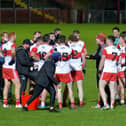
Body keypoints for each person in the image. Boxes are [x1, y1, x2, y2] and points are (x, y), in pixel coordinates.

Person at [52, 35, 76, 110]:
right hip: (66, 71)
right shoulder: (69, 49)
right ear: (65, 41)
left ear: (58, 41)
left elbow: (51, 56)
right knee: (70, 88)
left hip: (57, 71)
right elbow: (74, 53)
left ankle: (60, 105)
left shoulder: (56, 49)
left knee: (59, 89)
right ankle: (72, 105)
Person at [99, 35, 120, 110]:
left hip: (107, 71)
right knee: (112, 89)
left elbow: (102, 59)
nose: (106, 42)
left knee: (101, 87)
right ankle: (112, 105)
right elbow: (118, 61)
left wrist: (99, 68)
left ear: (109, 41)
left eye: (107, 40)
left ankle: (105, 104)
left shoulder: (106, 49)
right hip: (114, 71)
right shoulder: (118, 50)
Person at [86, 33, 106, 108]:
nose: (95, 40)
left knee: (101, 86)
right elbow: (94, 55)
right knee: (101, 87)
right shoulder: (100, 47)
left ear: (100, 39)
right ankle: (101, 103)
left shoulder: (103, 47)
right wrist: (87, 56)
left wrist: (88, 56)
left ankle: (101, 103)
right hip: (100, 69)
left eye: (96, 39)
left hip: (102, 69)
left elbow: (98, 56)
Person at [2, 32, 22, 108]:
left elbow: (1, 53)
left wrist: (5, 58)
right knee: (18, 84)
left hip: (5, 66)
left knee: (6, 85)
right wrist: (13, 59)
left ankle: (5, 103)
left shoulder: (4, 45)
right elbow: (13, 52)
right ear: (12, 37)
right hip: (11, 67)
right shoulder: (12, 44)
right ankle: (17, 103)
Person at [68, 35, 85, 107]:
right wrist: (83, 66)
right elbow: (83, 58)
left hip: (70, 68)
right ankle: (81, 102)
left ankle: (72, 103)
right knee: (80, 87)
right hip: (78, 68)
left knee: (70, 87)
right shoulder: (80, 47)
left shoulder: (69, 47)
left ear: (70, 40)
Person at [117, 32, 126, 105]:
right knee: (121, 85)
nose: (119, 40)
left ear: (124, 39)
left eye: (120, 39)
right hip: (119, 68)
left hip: (124, 68)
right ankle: (122, 100)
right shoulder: (118, 47)